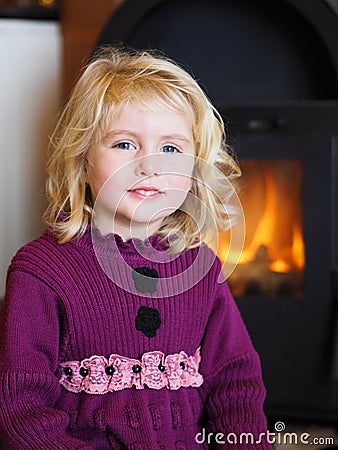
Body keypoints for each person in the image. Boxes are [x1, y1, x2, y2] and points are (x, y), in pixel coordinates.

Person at [0, 47, 272, 449]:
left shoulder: (202, 268)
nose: (149, 165)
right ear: (82, 160)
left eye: (170, 149)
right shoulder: (41, 271)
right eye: (125, 144)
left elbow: (236, 385)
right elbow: (22, 413)